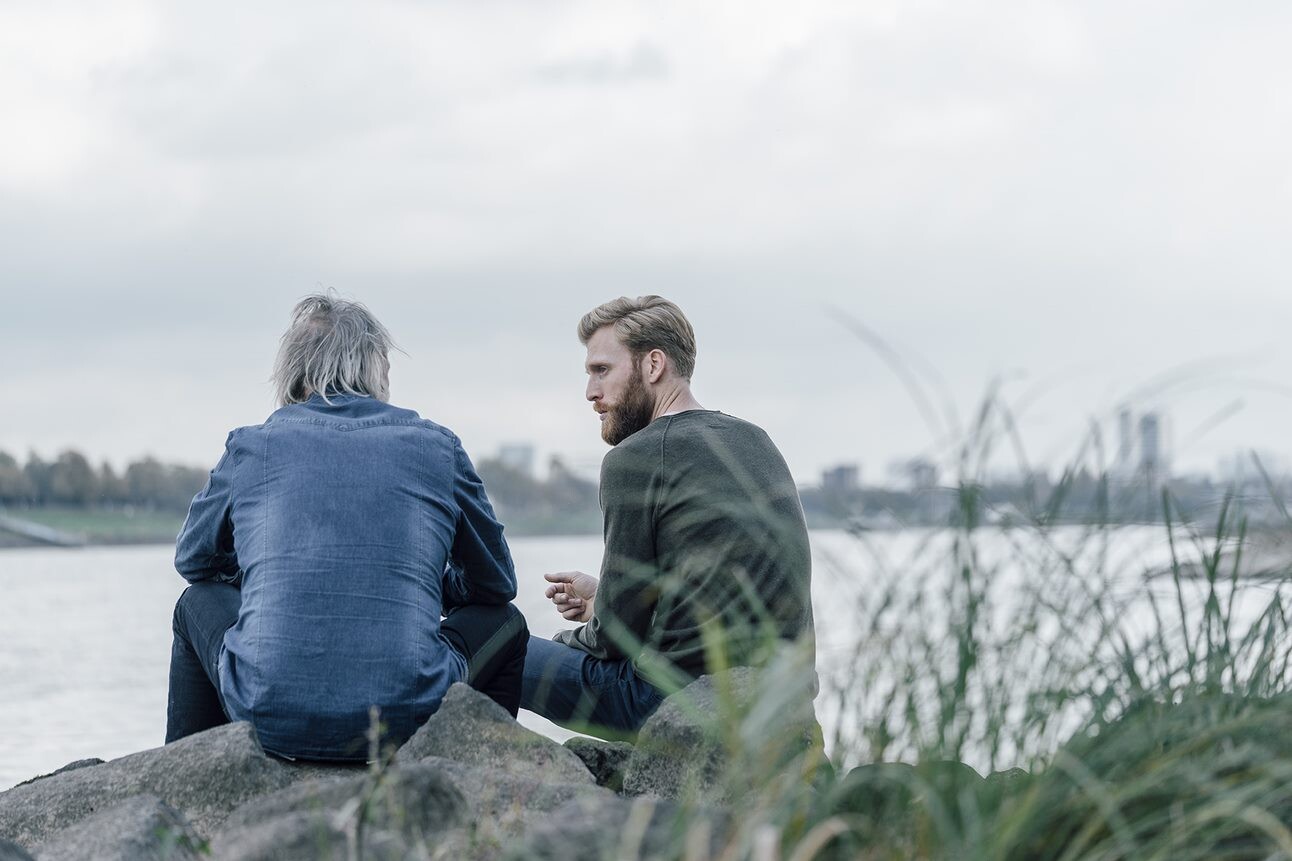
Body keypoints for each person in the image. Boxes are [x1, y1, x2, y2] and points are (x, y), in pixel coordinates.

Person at [166, 293, 527, 761]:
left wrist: (261, 571)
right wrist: (425, 583)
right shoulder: (437, 447)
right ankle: (483, 778)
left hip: (266, 712)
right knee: (507, 624)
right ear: (377, 368)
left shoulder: (252, 446)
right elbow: (496, 585)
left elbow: (193, 561)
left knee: (196, 602)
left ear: (292, 369)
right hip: (409, 715)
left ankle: (187, 778)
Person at [520, 296, 813, 738]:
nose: (590, 393)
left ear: (653, 365)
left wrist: (570, 642)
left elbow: (612, 638)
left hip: (677, 707)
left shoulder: (635, 458)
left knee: (491, 646)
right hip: (780, 706)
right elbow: (711, 600)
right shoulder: (756, 440)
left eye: (602, 370)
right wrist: (603, 599)